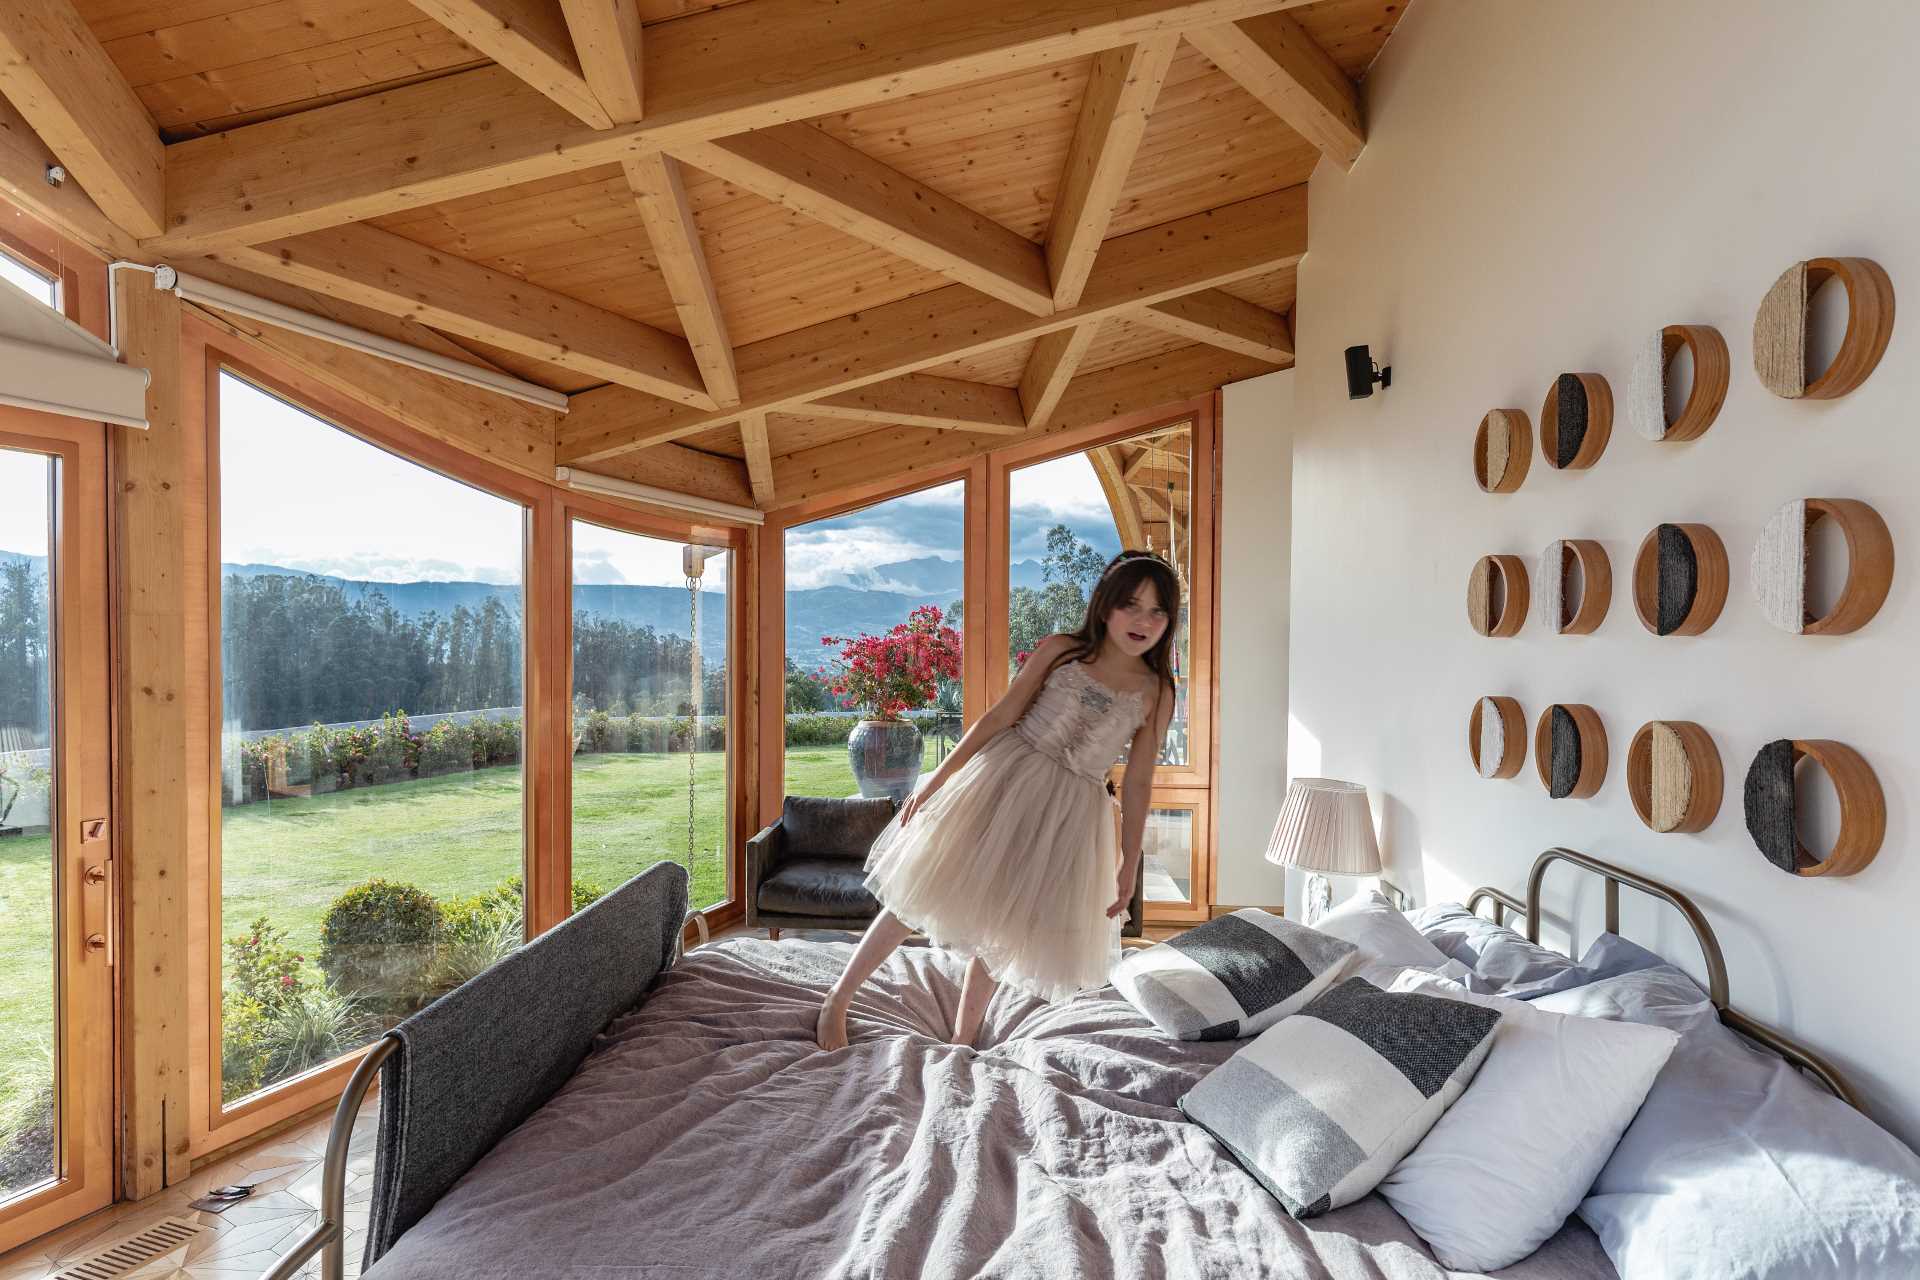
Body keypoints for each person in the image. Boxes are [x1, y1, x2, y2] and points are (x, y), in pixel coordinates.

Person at [814, 550, 1180, 1052]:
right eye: (1132, 605)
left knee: (1005, 923)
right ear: (1106, 606)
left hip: (1072, 812)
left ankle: (964, 1037)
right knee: (926, 889)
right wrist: (935, 781)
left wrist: (1129, 860)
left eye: (1158, 611)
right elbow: (1000, 715)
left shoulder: (1157, 689)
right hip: (1007, 779)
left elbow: (1139, 781)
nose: (1143, 621)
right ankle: (838, 998)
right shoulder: (1063, 650)